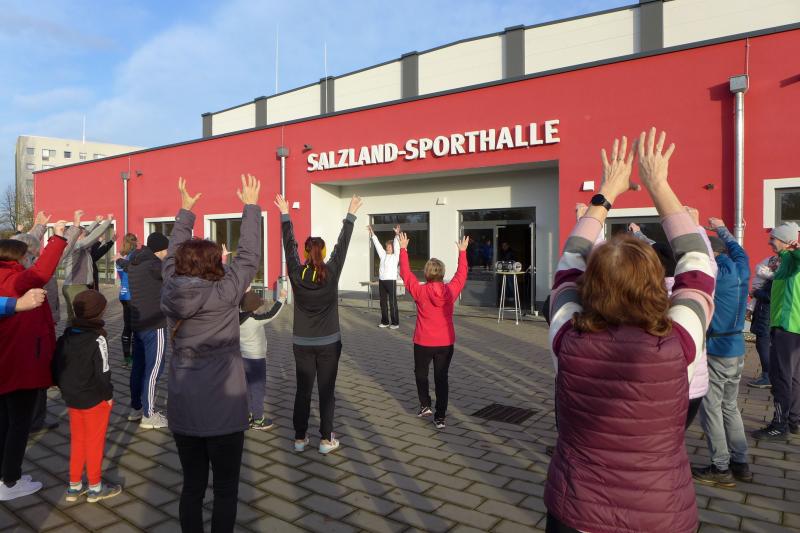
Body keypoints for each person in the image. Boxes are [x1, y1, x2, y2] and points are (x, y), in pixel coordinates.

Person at [545, 130, 714, 533]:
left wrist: (605, 195)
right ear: (655, 283)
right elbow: (698, 264)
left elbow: (568, 262)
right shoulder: (679, 343)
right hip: (660, 514)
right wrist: (659, 185)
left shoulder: (566, 337)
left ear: (591, 283)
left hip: (576, 511)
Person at [161, 175, 262, 533]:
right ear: (215, 264)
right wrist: (251, 208)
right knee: (225, 489)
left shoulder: (169, 287)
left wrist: (185, 212)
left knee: (191, 487)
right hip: (224, 407)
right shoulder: (225, 292)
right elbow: (249, 257)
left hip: (184, 406)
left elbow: (171, 257)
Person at [276, 192, 362, 454]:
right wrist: (350, 214)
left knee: (303, 391)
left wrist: (285, 214)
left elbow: (288, 246)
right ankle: (326, 440)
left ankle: (300, 438)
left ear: (305, 252)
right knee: (326, 391)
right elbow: (342, 245)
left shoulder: (295, 272)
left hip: (302, 343)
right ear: (323, 253)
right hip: (328, 343)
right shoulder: (331, 271)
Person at [0, 221, 69, 501]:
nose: (31, 259)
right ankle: (10, 481)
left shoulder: (6, 276)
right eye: (28, 255)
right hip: (21, 366)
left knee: (5, 422)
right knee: (19, 425)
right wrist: (58, 238)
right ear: (17, 258)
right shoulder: (14, 279)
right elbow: (41, 272)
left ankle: (5, 476)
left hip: (9, 364)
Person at [692, 217, 752, 486]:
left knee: (711, 410)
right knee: (730, 406)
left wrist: (695, 230)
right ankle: (741, 462)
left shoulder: (715, 275)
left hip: (717, 349)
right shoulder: (742, 268)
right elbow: (738, 250)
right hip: (737, 348)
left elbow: (697, 257)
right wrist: (721, 229)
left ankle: (720, 467)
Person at [52, 289, 121, 503]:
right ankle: (95, 487)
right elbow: (103, 372)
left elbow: (56, 367)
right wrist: (108, 396)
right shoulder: (98, 339)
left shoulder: (65, 336)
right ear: (100, 312)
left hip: (71, 398)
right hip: (94, 399)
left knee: (78, 440)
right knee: (94, 443)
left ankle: (74, 485)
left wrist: (64, 389)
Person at [398, 231, 468, 430]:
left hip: (423, 342)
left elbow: (406, 274)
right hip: (445, 343)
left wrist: (403, 250)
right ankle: (440, 417)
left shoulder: (420, 291)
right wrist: (462, 253)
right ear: (442, 273)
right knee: (441, 378)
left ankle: (425, 405)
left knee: (421, 374)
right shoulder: (450, 291)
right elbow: (461, 275)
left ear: (427, 273)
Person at [752, 222, 800, 441]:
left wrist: (795, 248)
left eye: (774, 238)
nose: (770, 241)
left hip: (786, 327)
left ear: (786, 241)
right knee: (794, 377)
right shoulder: (784, 262)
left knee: (780, 377)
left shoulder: (791, 260)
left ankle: (779, 425)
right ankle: (793, 421)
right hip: (792, 327)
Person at [117, 231, 170, 428]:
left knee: (138, 368)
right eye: (166, 250)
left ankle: (136, 408)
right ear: (160, 250)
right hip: (155, 326)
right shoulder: (155, 265)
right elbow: (174, 272)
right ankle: (149, 415)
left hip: (138, 324)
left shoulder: (135, 262)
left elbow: (122, 264)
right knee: (154, 370)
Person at [239, 287, 286, 430]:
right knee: (257, 389)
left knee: (246, 388)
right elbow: (272, 314)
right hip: (256, 360)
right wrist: (282, 298)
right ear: (254, 308)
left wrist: (244, 291)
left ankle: (246, 417)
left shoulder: (235, 318)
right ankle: (258, 420)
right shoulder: (255, 320)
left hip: (242, 358)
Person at [62, 211, 113, 322]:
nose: (86, 235)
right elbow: (93, 236)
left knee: (72, 318)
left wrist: (96, 222)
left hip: (72, 285)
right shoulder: (77, 246)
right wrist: (107, 222)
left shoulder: (76, 245)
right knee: (81, 318)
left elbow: (87, 233)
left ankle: (69, 332)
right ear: (77, 237)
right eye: (83, 235)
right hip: (76, 286)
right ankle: (76, 333)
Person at [747, 254, 780, 389]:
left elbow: (770, 296)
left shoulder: (775, 278)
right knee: (765, 344)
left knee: (763, 344)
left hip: (766, 313)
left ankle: (768, 377)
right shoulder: (773, 276)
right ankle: (769, 375)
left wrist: (756, 293)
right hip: (765, 312)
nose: (772, 265)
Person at [368, 224, 400, 329]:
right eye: (387, 246)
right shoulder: (383, 255)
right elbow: (377, 244)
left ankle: (395, 323)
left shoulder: (395, 256)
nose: (387, 248)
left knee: (392, 302)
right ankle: (385, 322)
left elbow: (397, 246)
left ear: (393, 248)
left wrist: (397, 235)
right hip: (382, 281)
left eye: (389, 246)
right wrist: (372, 233)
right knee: (383, 303)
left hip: (391, 281)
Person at [116, 233, 139, 367]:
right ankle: (134, 357)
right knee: (135, 327)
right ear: (134, 242)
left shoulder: (120, 256)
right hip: (132, 295)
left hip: (123, 295)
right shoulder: (134, 256)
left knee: (127, 327)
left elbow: (120, 276)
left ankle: (126, 358)